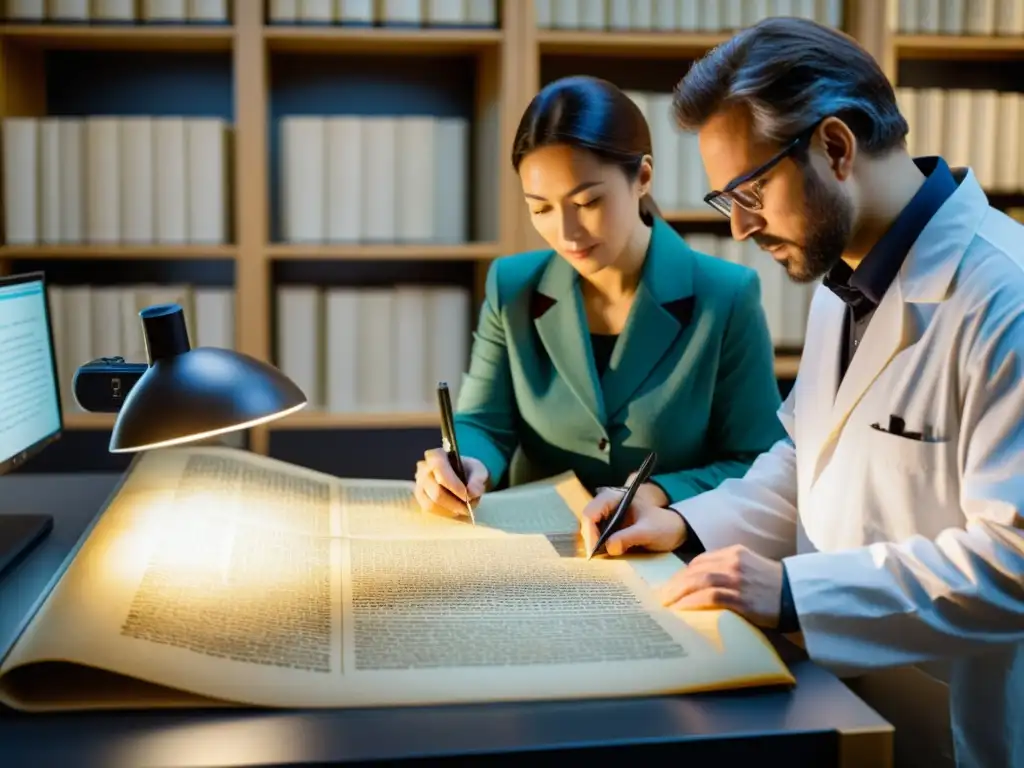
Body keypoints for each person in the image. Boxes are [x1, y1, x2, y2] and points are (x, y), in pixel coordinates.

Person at [579, 17, 1024, 768]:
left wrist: (792, 594)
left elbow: (1010, 566)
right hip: (853, 698)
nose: (743, 228)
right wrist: (688, 525)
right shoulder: (844, 281)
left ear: (837, 147)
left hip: (969, 725)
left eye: (750, 191)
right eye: (728, 200)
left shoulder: (1003, 296)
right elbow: (810, 461)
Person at [413, 75, 786, 522]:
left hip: (670, 556)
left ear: (642, 177)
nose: (566, 234)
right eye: (541, 208)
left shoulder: (726, 297)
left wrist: (662, 492)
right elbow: (483, 422)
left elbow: (756, 461)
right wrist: (467, 464)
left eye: (587, 202)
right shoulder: (511, 286)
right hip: (534, 558)